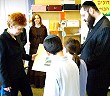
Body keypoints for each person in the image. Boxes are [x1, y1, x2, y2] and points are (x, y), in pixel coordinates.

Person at [0, 12, 37, 96]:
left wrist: (30, 57)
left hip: (21, 73)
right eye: (19, 29)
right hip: (10, 78)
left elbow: (19, 53)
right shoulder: (2, 40)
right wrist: (5, 82)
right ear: (11, 26)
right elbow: (1, 64)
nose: (21, 31)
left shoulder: (16, 36)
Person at [80, 1, 110, 96]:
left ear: (91, 10)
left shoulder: (105, 27)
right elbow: (88, 44)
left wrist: (80, 62)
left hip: (98, 77)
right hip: (91, 73)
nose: (83, 19)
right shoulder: (96, 24)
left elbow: (99, 57)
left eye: (84, 15)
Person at [28, 13, 48, 87]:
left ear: (40, 19)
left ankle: (41, 82)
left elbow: (46, 38)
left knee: (41, 64)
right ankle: (33, 82)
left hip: (41, 48)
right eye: (35, 18)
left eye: (38, 18)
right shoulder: (31, 28)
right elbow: (30, 39)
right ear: (33, 20)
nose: (37, 19)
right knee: (33, 64)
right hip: (33, 48)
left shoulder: (44, 28)